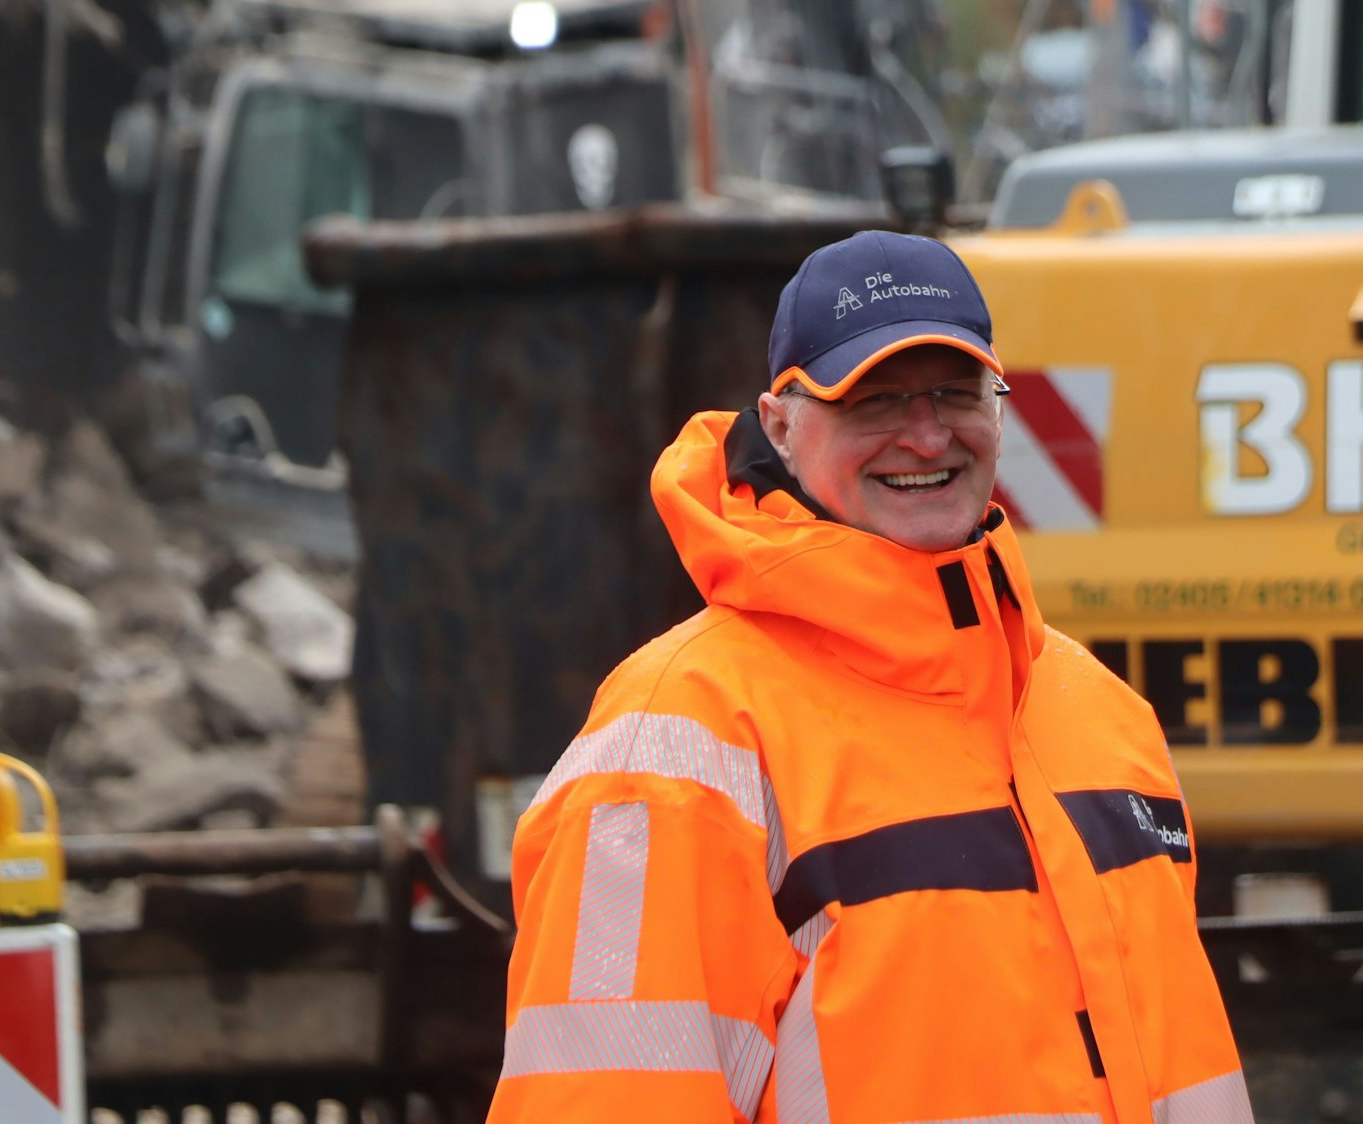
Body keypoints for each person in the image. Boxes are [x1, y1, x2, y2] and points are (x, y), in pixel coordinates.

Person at [488, 230, 1250, 1122]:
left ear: (999, 406)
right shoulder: (679, 742)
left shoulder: (1100, 714)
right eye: (873, 402)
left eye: (952, 391)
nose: (924, 435)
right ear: (778, 423)